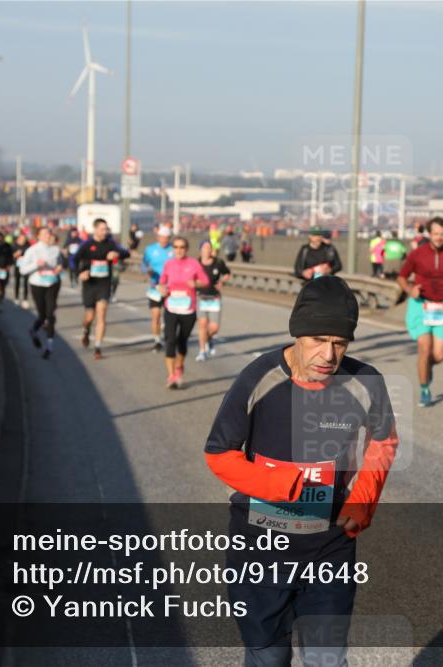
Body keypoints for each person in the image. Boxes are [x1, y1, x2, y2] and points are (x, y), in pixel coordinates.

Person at [204, 276, 398, 667]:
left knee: (327, 659)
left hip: (328, 543)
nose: (328, 354)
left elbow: (384, 441)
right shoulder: (259, 378)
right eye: (317, 340)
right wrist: (286, 485)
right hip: (260, 542)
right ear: (297, 335)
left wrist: (362, 502)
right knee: (268, 657)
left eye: (340, 343)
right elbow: (219, 453)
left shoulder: (365, 382)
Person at [396, 216, 443, 407]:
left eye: (442, 234)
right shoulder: (418, 253)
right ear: (429, 233)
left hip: (442, 307)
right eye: (435, 234)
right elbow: (402, 277)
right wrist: (411, 290)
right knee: (424, 349)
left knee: (439, 356)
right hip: (420, 305)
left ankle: (427, 367)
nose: (438, 237)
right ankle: (424, 388)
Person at [157, 237, 209, 388]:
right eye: (176, 247)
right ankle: (171, 375)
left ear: (186, 249)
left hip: (188, 309)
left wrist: (195, 283)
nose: (178, 250)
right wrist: (162, 288)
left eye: (182, 247)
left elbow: (205, 281)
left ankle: (179, 366)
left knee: (182, 342)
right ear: (172, 249)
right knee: (170, 340)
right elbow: (162, 281)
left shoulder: (193, 263)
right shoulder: (169, 264)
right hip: (171, 308)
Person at [76, 219, 129, 360]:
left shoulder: (110, 243)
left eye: (106, 229)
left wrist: (117, 254)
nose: (105, 232)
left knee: (102, 314)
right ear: (95, 229)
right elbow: (73, 260)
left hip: (104, 284)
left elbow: (126, 253)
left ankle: (98, 347)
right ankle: (86, 330)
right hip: (89, 284)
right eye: (102, 229)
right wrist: (79, 273)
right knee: (89, 317)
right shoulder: (86, 245)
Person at [17, 227, 64, 360]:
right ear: (38, 236)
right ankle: (33, 331)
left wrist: (60, 267)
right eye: (43, 234)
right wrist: (36, 265)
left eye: (49, 233)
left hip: (52, 284)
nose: (47, 236)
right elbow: (22, 270)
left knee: (50, 315)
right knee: (42, 315)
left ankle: (50, 345)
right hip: (37, 284)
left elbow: (61, 262)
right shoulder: (32, 250)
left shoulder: (55, 249)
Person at [195, 239, 231, 362]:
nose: (207, 250)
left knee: (214, 328)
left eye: (209, 247)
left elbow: (227, 274)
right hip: (201, 297)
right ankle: (202, 351)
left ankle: (209, 339)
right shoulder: (196, 263)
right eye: (205, 247)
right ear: (200, 250)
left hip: (214, 298)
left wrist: (222, 282)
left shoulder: (218, 262)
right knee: (202, 325)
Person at [142, 225, 174, 352]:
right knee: (156, 315)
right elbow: (144, 263)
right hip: (155, 286)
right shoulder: (150, 249)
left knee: (168, 316)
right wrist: (147, 271)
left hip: (170, 287)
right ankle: (156, 340)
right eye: (162, 237)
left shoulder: (173, 249)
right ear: (158, 237)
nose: (164, 240)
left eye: (167, 238)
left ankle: (166, 332)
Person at [12, 233, 32, 308]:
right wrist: (15, 255)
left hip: (26, 267)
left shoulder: (28, 246)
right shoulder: (14, 246)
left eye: (24, 239)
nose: (23, 240)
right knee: (17, 282)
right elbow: (10, 256)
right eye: (21, 239)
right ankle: (16, 298)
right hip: (17, 266)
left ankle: (25, 299)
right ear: (18, 239)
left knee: (26, 283)